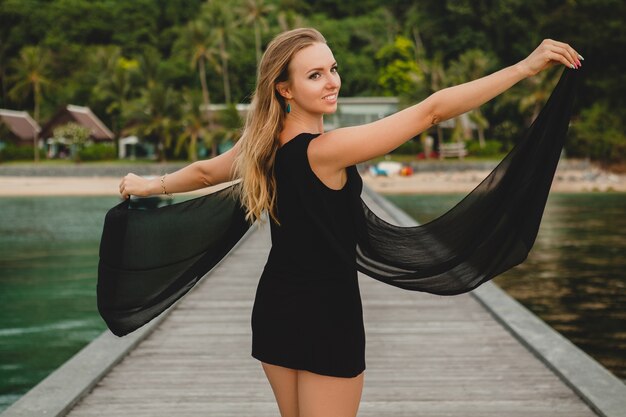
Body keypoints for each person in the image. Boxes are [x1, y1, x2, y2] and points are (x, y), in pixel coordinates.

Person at [115, 28, 583, 417]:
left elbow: (202, 173)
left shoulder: (260, 146)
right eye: (315, 75)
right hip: (326, 314)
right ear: (284, 88)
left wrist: (148, 184)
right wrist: (524, 68)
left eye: (333, 68)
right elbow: (431, 111)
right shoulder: (326, 151)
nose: (331, 81)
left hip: (276, 309)